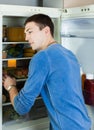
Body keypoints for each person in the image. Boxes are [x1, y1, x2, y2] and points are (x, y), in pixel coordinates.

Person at [3, 14, 91, 130]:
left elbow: (21, 107)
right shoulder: (69, 54)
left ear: (46, 31)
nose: (26, 38)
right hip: (84, 124)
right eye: (25, 33)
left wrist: (11, 87)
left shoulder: (42, 57)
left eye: (30, 32)